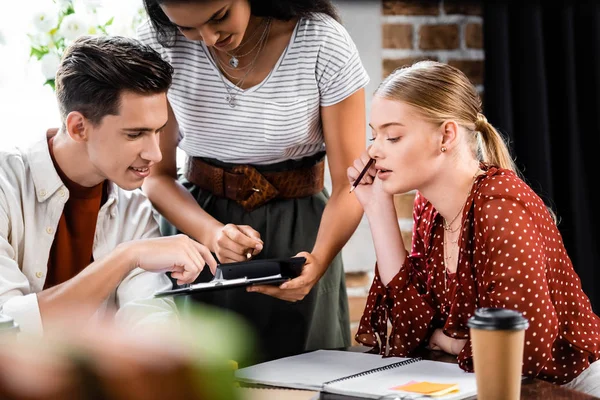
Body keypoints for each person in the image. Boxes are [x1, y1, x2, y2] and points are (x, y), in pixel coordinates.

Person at [348, 60, 600, 395]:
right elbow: (413, 325)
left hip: (566, 388)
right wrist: (378, 207)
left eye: (392, 136)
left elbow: (524, 349)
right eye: (374, 135)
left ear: (446, 135)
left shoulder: (500, 209)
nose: (373, 150)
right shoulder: (430, 208)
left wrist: (452, 345)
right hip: (487, 384)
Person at [137, 0, 369, 361]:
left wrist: (318, 261)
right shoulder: (159, 41)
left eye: (219, 16)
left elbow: (350, 183)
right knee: (200, 377)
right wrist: (212, 234)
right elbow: (157, 177)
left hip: (302, 231)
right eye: (188, 28)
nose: (209, 38)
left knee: (306, 374)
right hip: (195, 235)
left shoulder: (321, 41)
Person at [0, 35, 217, 335]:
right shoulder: (4, 187)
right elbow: (7, 327)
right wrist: (126, 257)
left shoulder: (136, 210)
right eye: (135, 134)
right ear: (79, 127)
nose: (155, 153)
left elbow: (151, 322)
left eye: (158, 132)